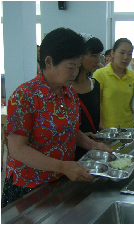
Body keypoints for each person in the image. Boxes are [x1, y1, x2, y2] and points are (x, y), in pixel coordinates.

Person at [1, 27, 113, 208]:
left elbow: (70, 130)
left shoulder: (69, 93)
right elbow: (17, 149)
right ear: (49, 62)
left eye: (78, 67)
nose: (75, 73)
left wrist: (93, 145)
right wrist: (62, 166)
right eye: (70, 67)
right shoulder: (25, 96)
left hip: (59, 181)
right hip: (29, 186)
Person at [93, 38, 134, 128]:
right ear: (113, 54)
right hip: (108, 130)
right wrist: (102, 126)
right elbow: (95, 105)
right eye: (122, 53)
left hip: (129, 128)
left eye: (129, 54)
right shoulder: (100, 74)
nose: (125, 57)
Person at [72, 33, 103, 161]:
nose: (98, 60)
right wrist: (80, 137)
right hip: (72, 149)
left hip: (92, 149)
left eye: (99, 55)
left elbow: (98, 121)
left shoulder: (94, 84)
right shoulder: (65, 88)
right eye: (93, 55)